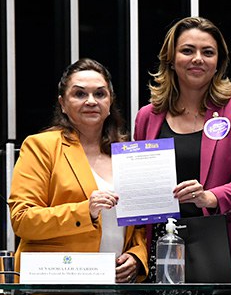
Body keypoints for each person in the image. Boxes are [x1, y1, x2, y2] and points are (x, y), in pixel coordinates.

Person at [134, 16, 231, 281]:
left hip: (229, 251)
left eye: (207, 52)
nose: (198, 58)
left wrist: (209, 197)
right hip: (165, 251)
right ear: (171, 59)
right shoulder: (147, 117)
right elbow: (142, 188)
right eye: (187, 50)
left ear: (218, 63)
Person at [8, 58, 147, 283]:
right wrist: (86, 211)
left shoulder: (126, 153)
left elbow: (141, 224)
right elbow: (23, 219)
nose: (91, 101)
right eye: (80, 94)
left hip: (117, 288)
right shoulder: (40, 146)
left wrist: (137, 255)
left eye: (100, 94)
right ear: (63, 103)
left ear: (110, 102)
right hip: (57, 289)